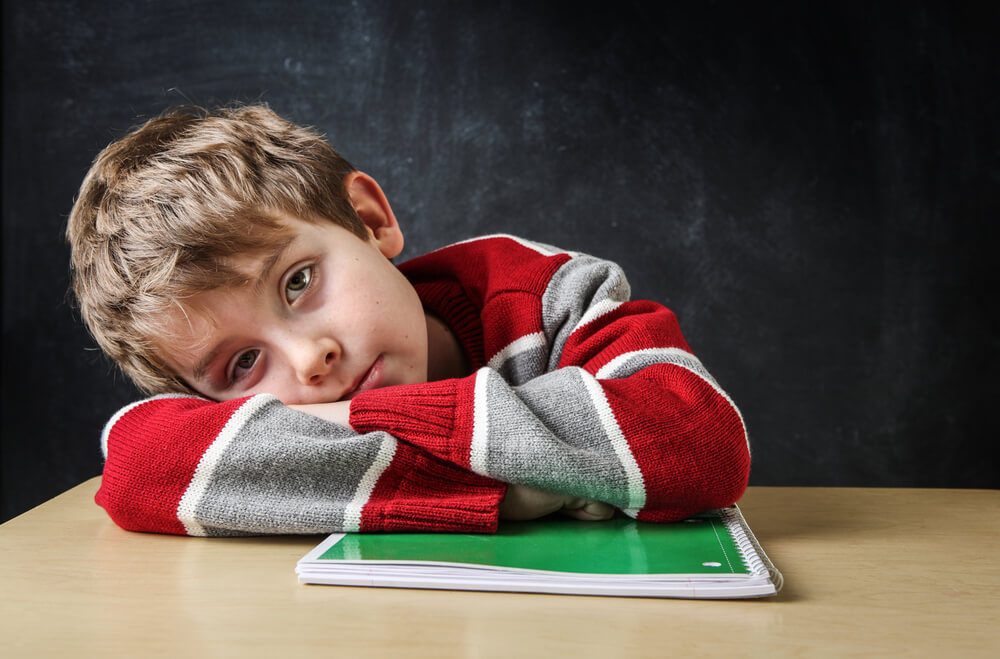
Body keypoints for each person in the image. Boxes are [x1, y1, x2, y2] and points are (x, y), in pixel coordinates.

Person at [67, 104, 751, 537]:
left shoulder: (546, 294)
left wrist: (337, 437)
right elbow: (136, 461)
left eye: (298, 282)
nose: (309, 359)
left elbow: (698, 436)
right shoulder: (288, 378)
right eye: (243, 364)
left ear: (369, 220)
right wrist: (523, 483)